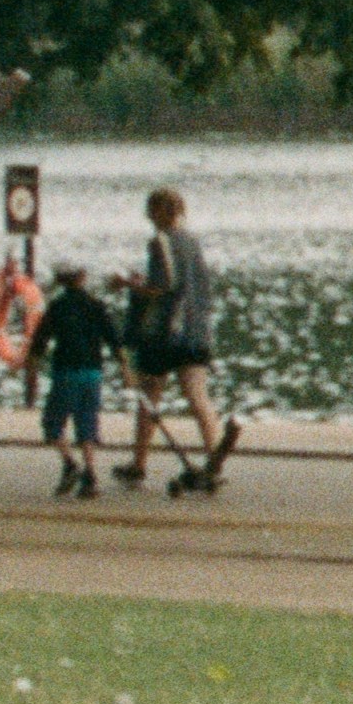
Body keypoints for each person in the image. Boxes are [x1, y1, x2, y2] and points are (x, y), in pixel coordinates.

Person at [125, 186, 225, 496]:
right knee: (198, 395)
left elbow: (162, 286)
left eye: (150, 210)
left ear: (160, 212)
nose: (148, 217)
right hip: (198, 329)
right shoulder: (193, 242)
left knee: (150, 393)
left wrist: (129, 285)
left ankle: (139, 462)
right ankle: (214, 458)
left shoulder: (161, 241)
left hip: (166, 333)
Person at [26, 262, 112, 499]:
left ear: (59, 280)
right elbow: (112, 337)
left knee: (53, 422)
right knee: (87, 422)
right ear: (82, 277)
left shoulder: (57, 307)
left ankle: (69, 464)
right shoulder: (96, 306)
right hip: (92, 373)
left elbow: (39, 343)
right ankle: (91, 474)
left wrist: (32, 373)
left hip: (65, 372)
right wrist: (126, 370)